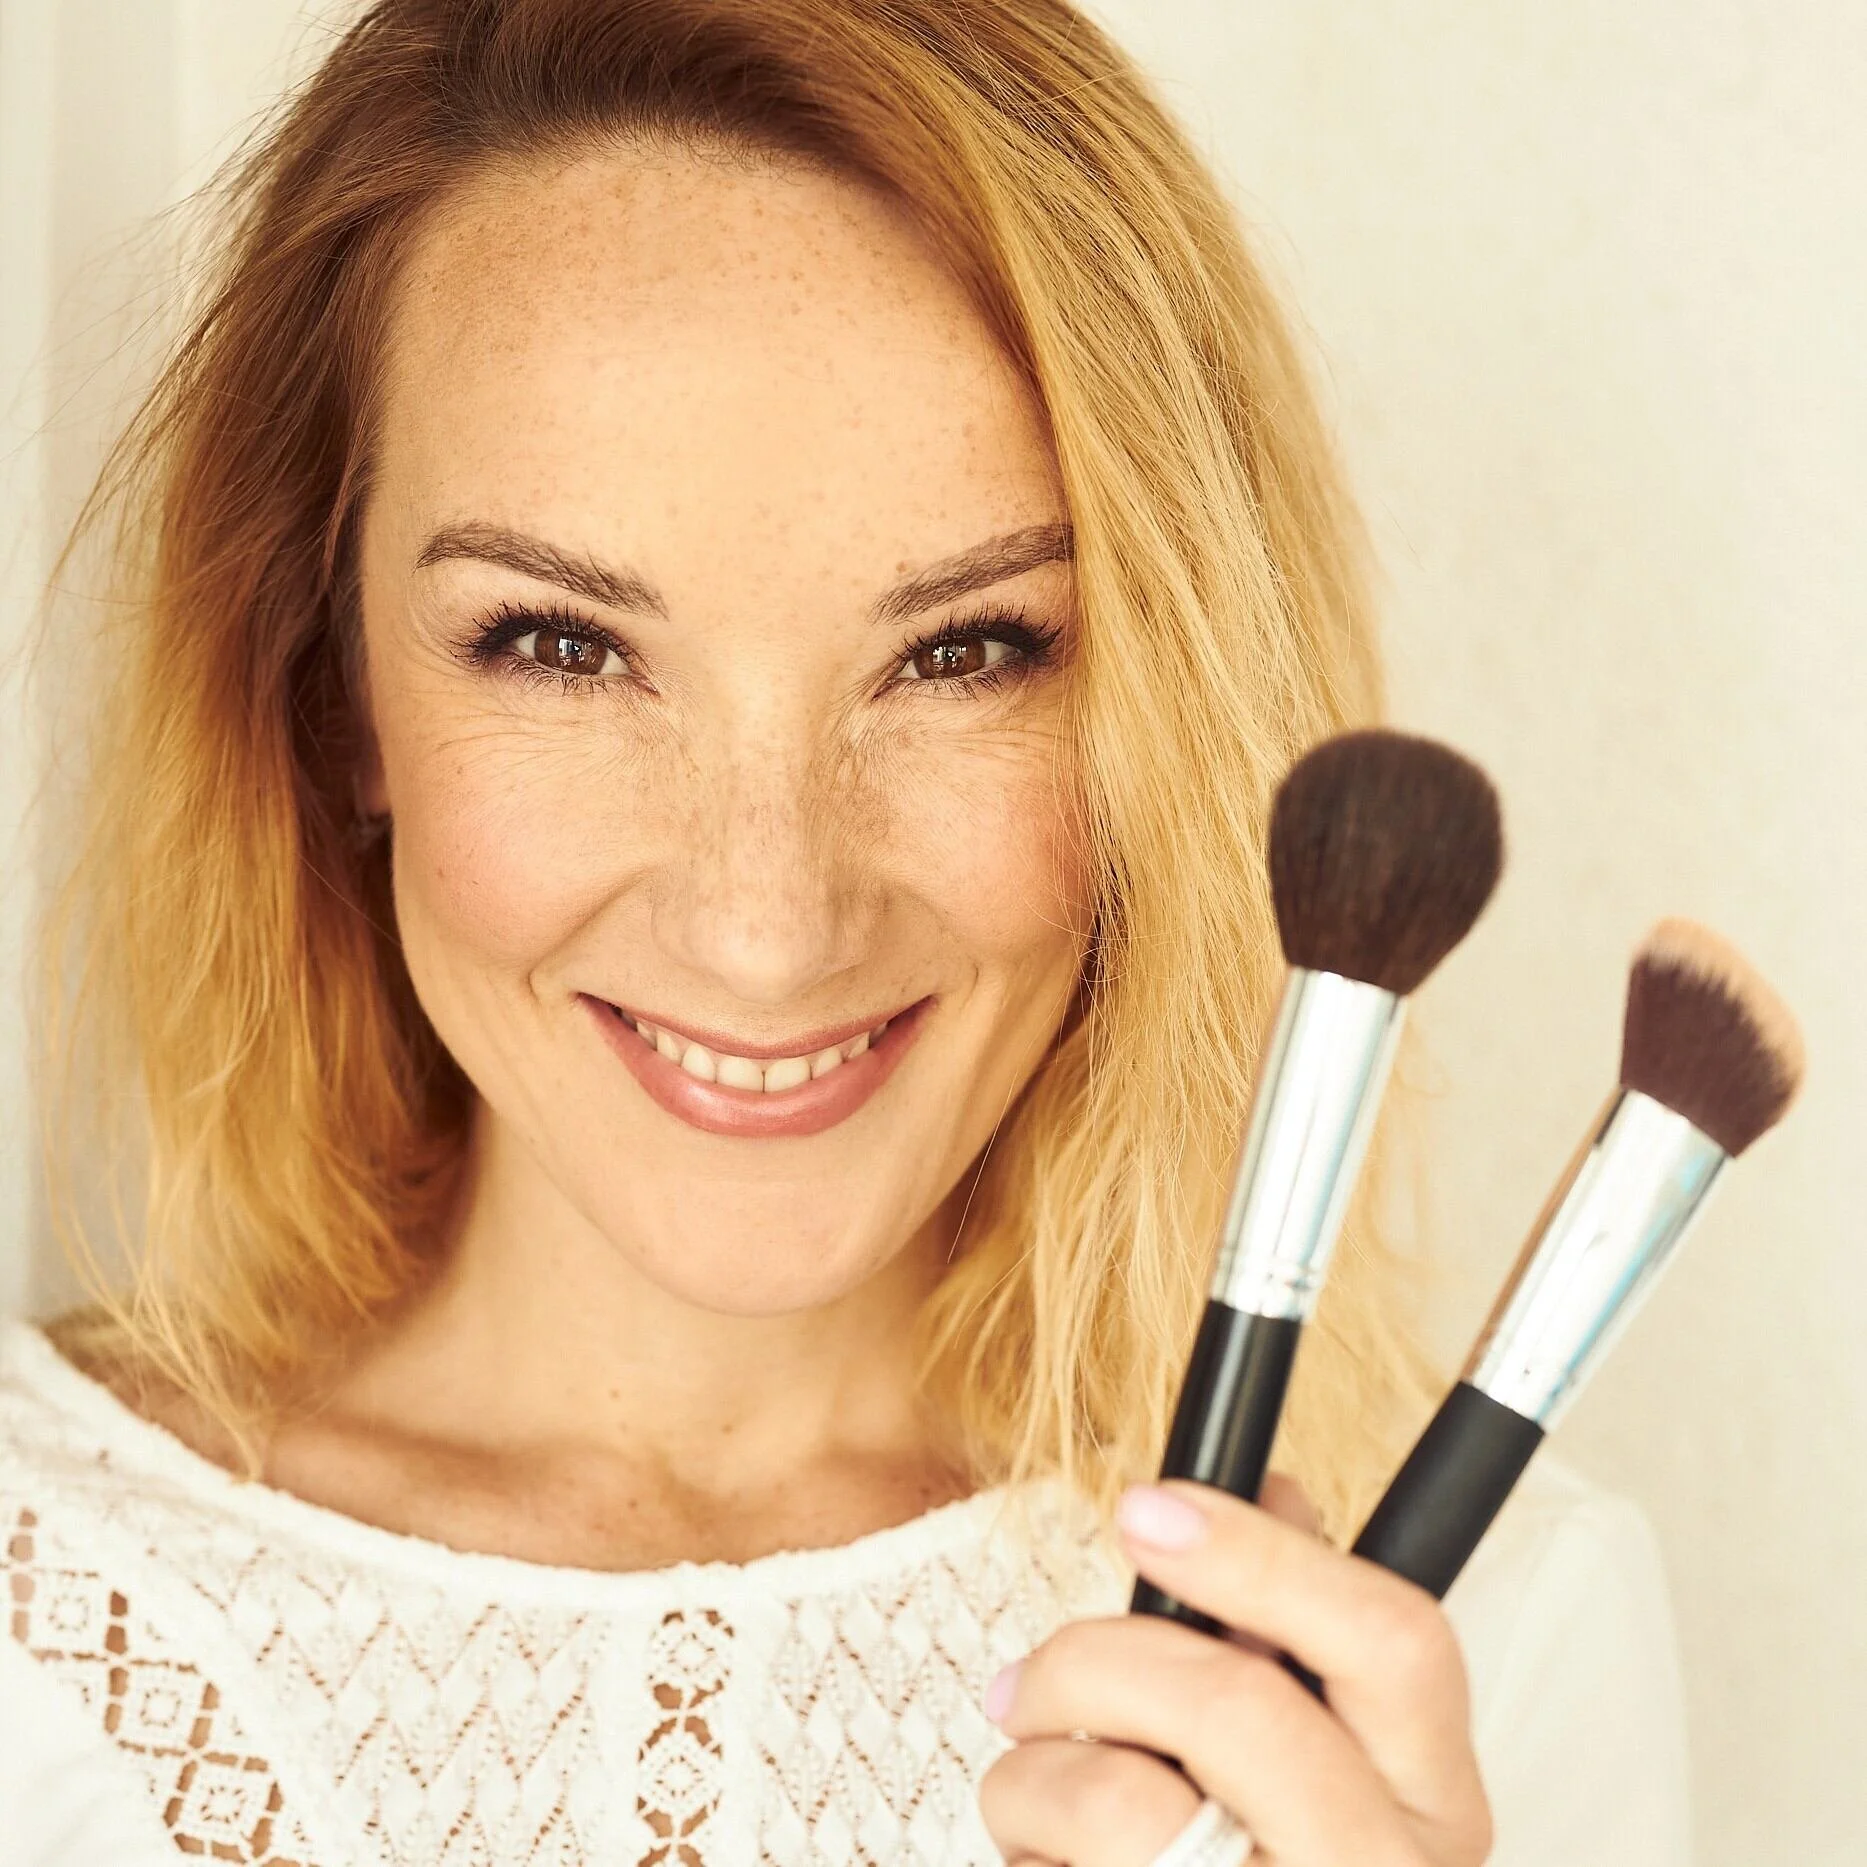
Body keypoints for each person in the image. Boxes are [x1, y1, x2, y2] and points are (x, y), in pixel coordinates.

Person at [0, 2, 1691, 1862]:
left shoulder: (1466, 1651)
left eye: (962, 653)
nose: (765, 921)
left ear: (1157, 713)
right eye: (562, 647)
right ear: (331, 691)